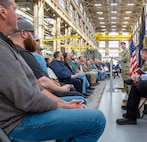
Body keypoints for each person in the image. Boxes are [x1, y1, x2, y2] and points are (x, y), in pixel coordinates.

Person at [0, 1, 106, 141]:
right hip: (16, 122)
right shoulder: (3, 50)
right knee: (97, 120)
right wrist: (63, 105)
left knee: (79, 104)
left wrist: (66, 105)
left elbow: (35, 88)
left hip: (21, 113)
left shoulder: (7, 46)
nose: (18, 14)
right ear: (2, 11)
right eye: (14, 9)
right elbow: (27, 98)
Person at [10, 17, 84, 98]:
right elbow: (42, 82)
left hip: (30, 95)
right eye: (32, 36)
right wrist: (60, 89)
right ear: (23, 34)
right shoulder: (24, 54)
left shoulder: (11, 52)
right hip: (36, 97)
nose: (34, 41)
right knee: (78, 96)